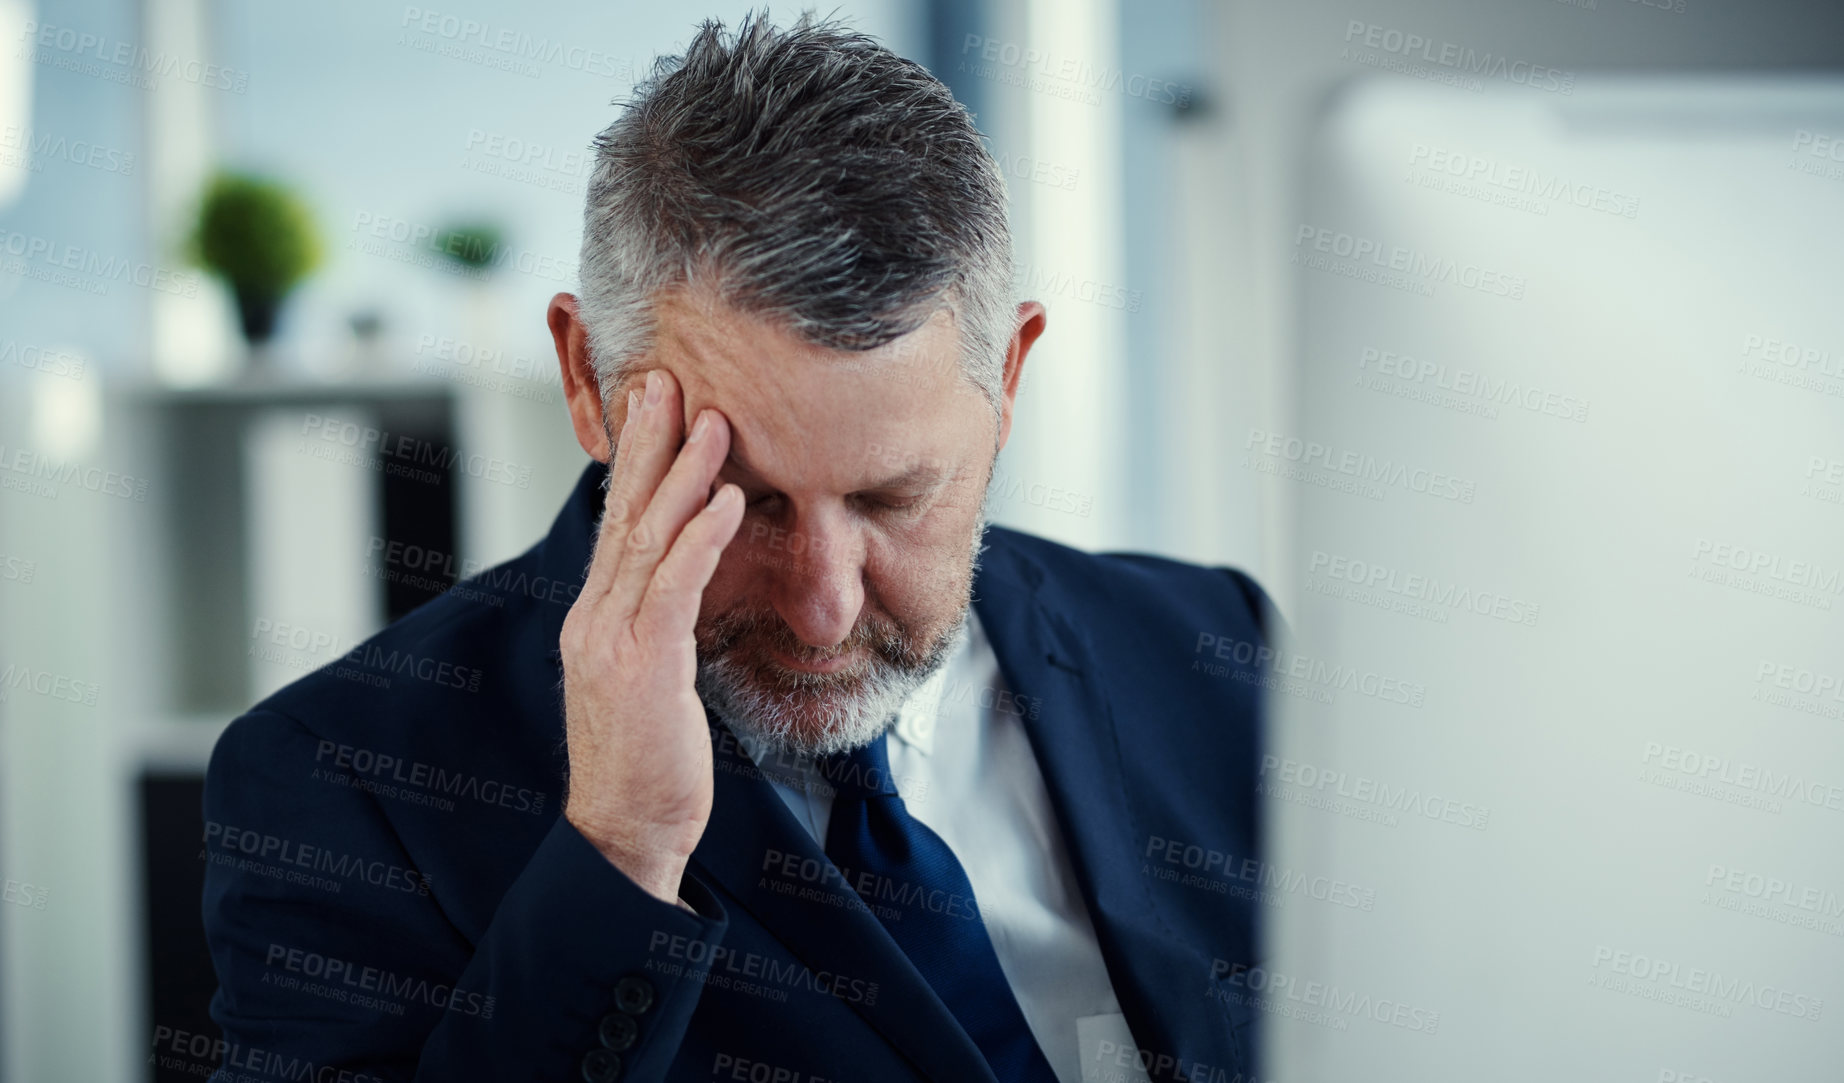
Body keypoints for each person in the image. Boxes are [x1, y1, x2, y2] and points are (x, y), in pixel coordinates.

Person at [201, 12, 1274, 1083]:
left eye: (894, 497)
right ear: (586, 380)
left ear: (1010, 380)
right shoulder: (337, 786)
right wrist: (619, 850)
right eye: (744, 501)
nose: (825, 606)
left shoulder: (1216, 650)